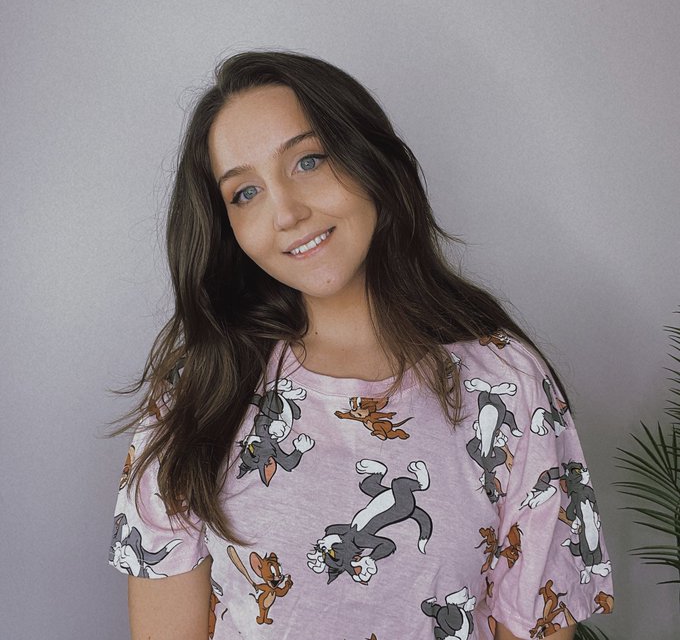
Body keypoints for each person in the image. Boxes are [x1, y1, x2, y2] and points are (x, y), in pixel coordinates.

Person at [109, 50, 613, 640]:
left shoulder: (508, 385)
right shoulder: (196, 392)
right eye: (245, 193)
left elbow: (534, 622)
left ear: (371, 159)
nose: (287, 213)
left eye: (309, 161)